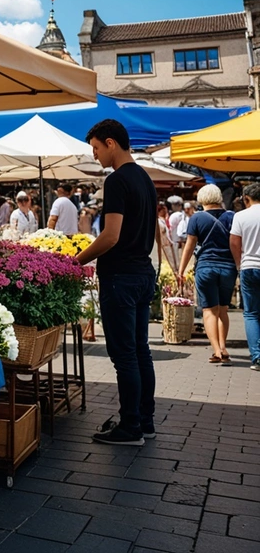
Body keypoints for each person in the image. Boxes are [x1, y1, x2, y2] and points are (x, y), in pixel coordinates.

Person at [76, 119, 162, 446]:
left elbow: (110, 236)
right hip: (142, 272)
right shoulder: (145, 178)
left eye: (96, 148)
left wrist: (77, 260)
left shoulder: (116, 181)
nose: (95, 155)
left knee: (124, 355)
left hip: (120, 278)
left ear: (111, 143)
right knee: (141, 351)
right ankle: (145, 419)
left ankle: (130, 427)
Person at [178, 184, 237, 364]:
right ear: (219, 197)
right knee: (223, 310)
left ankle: (217, 350)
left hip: (206, 267)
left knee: (209, 311)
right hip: (228, 267)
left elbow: (189, 246)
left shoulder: (197, 218)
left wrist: (181, 269)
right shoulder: (232, 217)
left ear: (202, 199)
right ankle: (224, 346)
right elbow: (235, 243)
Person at [230, 182, 260, 370]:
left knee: (251, 313)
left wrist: (238, 264)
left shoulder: (240, 216)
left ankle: (257, 357)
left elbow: (234, 242)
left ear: (246, 198)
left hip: (249, 266)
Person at [157, 203, 179, 272]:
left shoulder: (165, 220)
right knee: (168, 263)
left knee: (174, 262)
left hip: (169, 243)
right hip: (163, 244)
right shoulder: (158, 221)